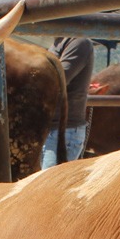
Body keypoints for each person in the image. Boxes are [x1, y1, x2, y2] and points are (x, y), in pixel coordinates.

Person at [41, 36, 94, 168]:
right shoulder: (56, 45)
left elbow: (57, 80)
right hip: (52, 130)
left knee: (50, 182)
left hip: (64, 132)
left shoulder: (79, 42)